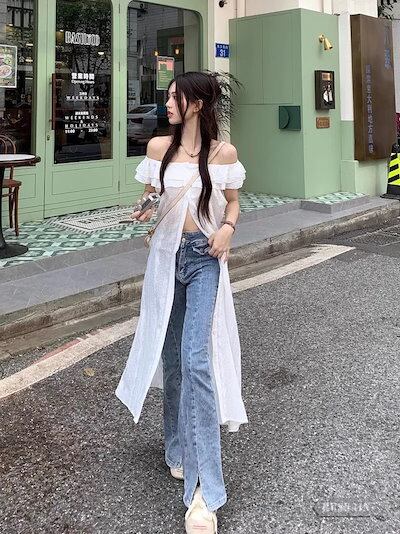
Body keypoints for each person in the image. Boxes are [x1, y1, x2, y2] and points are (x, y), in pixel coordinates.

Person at [115, 71, 248, 534]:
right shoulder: (158, 149)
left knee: (196, 361)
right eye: (168, 97)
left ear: (197, 104)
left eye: (175, 98)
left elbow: (233, 202)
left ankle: (204, 493)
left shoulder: (223, 154)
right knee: (172, 359)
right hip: (165, 259)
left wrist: (227, 228)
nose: (167, 104)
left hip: (203, 259)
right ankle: (175, 447)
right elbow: (151, 198)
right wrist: (145, 208)